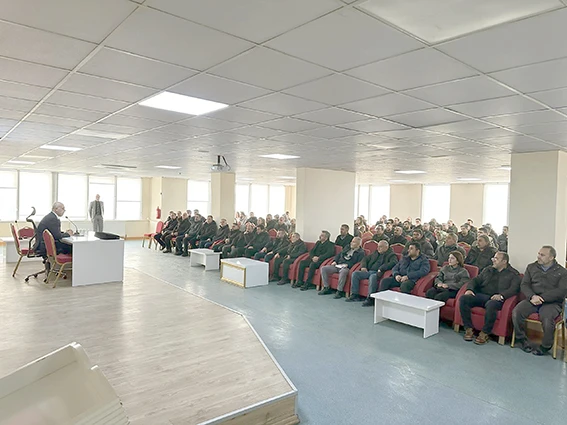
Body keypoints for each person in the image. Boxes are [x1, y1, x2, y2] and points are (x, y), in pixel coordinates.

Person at [512, 246, 567, 355]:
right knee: (516, 312)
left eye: (542, 255)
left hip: (551, 302)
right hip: (532, 299)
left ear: (551, 257)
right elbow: (524, 285)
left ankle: (545, 346)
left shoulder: (562, 272)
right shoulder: (531, 267)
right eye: (538, 254)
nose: (538, 256)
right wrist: (532, 296)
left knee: (547, 318)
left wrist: (542, 298)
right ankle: (522, 340)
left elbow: (561, 291)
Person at [460, 252, 520, 345]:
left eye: (496, 258)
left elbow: (514, 289)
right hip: (483, 295)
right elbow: (476, 280)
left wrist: (501, 295)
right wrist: (469, 289)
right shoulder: (488, 269)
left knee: (491, 304)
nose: (493, 260)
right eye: (494, 258)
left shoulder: (513, 274)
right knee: (464, 299)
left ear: (504, 261)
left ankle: (485, 333)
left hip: (497, 299)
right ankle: (468, 329)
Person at [349, 240, 398, 305]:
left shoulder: (391, 255)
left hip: (379, 273)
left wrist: (382, 268)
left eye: (380, 247)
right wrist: (363, 266)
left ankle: (370, 298)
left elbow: (393, 262)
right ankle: (355, 295)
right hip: (369, 271)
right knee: (355, 274)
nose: (378, 248)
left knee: (372, 277)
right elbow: (365, 259)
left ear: (386, 247)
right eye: (378, 246)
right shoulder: (376, 252)